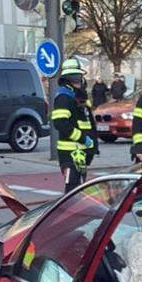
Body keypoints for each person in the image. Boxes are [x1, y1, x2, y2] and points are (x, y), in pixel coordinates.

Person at [51, 58, 95, 193]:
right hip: (71, 152)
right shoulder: (64, 97)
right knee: (72, 190)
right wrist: (82, 138)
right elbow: (60, 123)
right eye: (73, 77)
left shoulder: (78, 96)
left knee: (79, 190)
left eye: (78, 77)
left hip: (81, 152)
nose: (77, 81)